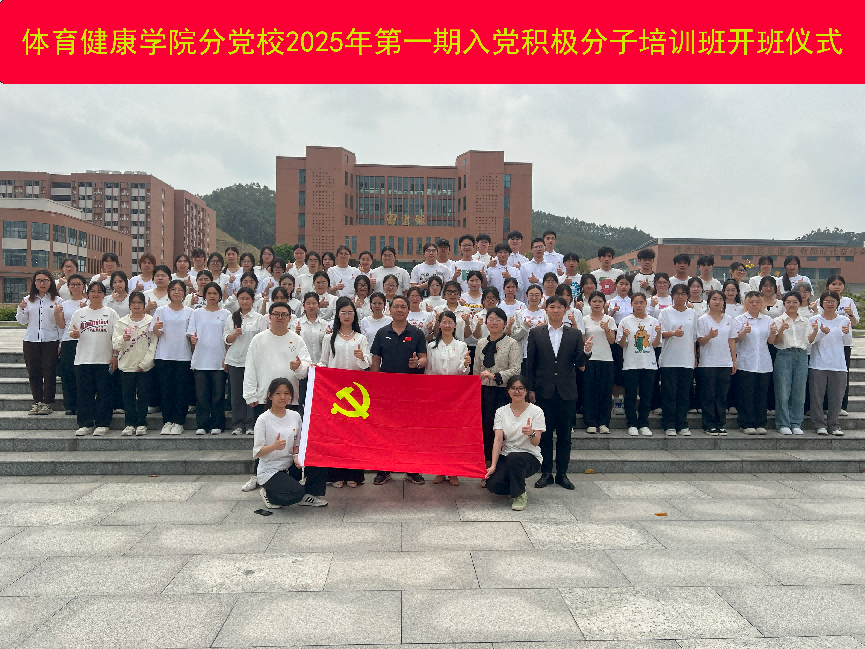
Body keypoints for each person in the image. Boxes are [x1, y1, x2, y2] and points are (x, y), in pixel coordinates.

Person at [526, 295, 592, 489]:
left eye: (559, 307)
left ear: (565, 310)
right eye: (552, 307)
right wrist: (530, 388)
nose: (555, 310)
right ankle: (546, 473)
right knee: (545, 435)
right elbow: (531, 363)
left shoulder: (574, 334)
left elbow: (579, 363)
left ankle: (562, 474)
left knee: (564, 436)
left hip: (567, 391)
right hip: (543, 391)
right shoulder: (536, 333)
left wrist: (587, 351)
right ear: (546, 309)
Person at [369, 295, 428, 486]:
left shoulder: (417, 333)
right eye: (396, 306)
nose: (399, 310)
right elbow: (376, 360)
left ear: (408, 310)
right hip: (386, 391)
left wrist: (417, 363)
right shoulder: (381, 333)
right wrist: (374, 385)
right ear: (390, 309)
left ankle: (412, 469)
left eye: (403, 307)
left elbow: (424, 359)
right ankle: (384, 469)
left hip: (411, 390)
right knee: (385, 429)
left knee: (410, 430)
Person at [319, 297, 371, 488]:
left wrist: (361, 357)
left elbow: (366, 364)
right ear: (338, 315)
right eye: (343, 312)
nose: (347, 316)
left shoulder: (361, 338)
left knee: (354, 435)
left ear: (355, 315)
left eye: (350, 312)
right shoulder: (329, 338)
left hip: (355, 392)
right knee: (336, 435)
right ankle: (336, 475)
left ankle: (354, 475)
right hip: (335, 392)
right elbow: (324, 362)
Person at [254, 378, 328, 509]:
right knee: (295, 493)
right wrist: (273, 447)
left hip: (289, 464)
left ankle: (309, 495)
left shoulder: (295, 416)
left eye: (286, 393)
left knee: (319, 457)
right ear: (270, 395)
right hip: (271, 469)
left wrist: (297, 456)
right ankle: (268, 494)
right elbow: (258, 451)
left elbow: (297, 443)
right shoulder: (263, 420)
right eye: (278, 393)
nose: (283, 397)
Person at [473, 307, 522, 485]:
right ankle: (486, 470)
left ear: (505, 323)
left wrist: (495, 376)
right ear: (486, 322)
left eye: (498, 319)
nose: (494, 322)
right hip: (485, 392)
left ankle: (503, 471)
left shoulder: (511, 343)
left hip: (503, 393)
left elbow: (516, 369)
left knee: (503, 431)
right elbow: (476, 370)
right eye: (491, 319)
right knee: (486, 430)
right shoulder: (481, 343)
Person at [426, 309, 473, 486]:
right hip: (437, 394)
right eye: (444, 322)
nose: (447, 325)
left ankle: (453, 471)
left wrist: (466, 365)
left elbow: (463, 372)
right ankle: (440, 470)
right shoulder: (431, 346)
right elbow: (429, 371)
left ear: (455, 325)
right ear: (439, 325)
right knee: (438, 434)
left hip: (456, 395)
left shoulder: (461, 346)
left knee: (454, 434)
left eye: (450, 322)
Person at [244, 301, 312, 420]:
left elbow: (306, 367)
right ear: (269, 317)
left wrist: (299, 367)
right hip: (264, 396)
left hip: (289, 398)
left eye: (284, 315)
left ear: (289, 318)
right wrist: (250, 395)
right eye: (276, 314)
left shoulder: (297, 340)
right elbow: (250, 367)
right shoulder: (258, 339)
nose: (280, 317)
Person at [486, 375, 545, 511]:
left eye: (520, 388)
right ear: (508, 391)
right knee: (492, 485)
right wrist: (493, 466)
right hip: (507, 455)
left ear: (526, 391)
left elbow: (536, 442)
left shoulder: (536, 411)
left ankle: (520, 495)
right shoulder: (501, 411)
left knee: (514, 457)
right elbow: (498, 440)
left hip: (529, 456)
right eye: (513, 388)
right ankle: (516, 485)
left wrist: (531, 432)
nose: (517, 391)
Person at [69, 281, 119, 436]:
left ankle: (103, 423)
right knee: (84, 394)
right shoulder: (79, 313)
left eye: (99, 291)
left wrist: (115, 355)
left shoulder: (111, 313)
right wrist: (74, 334)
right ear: (88, 293)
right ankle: (85, 424)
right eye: (92, 291)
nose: (96, 294)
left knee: (104, 393)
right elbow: (71, 332)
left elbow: (117, 337)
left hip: (104, 359)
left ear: (104, 295)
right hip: (83, 360)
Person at [17, 269, 64, 415]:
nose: (42, 283)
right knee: (34, 372)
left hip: (50, 340)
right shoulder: (27, 300)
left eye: (45, 280)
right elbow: (22, 321)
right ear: (34, 283)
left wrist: (61, 343)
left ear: (50, 282)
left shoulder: (57, 301)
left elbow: (61, 324)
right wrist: (21, 309)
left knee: (49, 372)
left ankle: (47, 403)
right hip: (31, 340)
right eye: (39, 280)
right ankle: (37, 402)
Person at [224, 287, 269, 437]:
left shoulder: (259, 318)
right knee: (237, 394)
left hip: (254, 362)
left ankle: (251, 424)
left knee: (252, 394)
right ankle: (237, 424)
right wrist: (235, 334)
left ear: (253, 300)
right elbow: (226, 339)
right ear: (238, 300)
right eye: (241, 298)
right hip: (236, 361)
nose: (244, 301)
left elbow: (263, 339)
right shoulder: (232, 317)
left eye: (247, 298)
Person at [151, 279, 194, 435]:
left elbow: (191, 335)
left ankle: (179, 422)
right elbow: (157, 334)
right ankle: (167, 421)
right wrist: (155, 328)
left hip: (183, 356)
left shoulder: (190, 312)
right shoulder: (161, 310)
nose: (177, 292)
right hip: (164, 356)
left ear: (184, 293)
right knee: (166, 390)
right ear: (169, 292)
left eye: (180, 290)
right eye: (174, 289)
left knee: (181, 391)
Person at [112, 291, 158, 436]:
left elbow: (154, 344)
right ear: (129, 305)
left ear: (144, 305)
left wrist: (145, 363)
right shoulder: (122, 322)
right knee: (128, 396)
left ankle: (142, 423)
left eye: (139, 302)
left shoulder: (151, 321)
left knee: (143, 395)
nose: (136, 305)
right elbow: (115, 343)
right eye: (134, 302)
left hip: (145, 367)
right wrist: (122, 339)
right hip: (127, 365)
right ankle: (129, 424)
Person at [187, 282, 230, 435]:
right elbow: (191, 333)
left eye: (215, 293)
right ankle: (202, 424)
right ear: (204, 295)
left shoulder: (226, 314)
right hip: (201, 359)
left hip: (219, 359)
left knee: (218, 395)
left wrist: (227, 358)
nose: (212, 296)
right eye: (209, 293)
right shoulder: (197, 313)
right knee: (201, 395)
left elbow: (228, 339)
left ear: (220, 296)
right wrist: (192, 339)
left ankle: (218, 424)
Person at [617, 292, 661, 436]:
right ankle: (631, 423)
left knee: (646, 395)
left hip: (648, 364)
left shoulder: (653, 321)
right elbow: (622, 344)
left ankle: (643, 423)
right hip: (631, 364)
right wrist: (624, 335)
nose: (638, 305)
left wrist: (659, 333)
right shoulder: (625, 321)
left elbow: (655, 344)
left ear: (646, 304)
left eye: (641, 302)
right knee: (630, 395)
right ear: (631, 304)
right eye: (635, 302)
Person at [808, 290, 851, 436]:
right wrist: (820, 332)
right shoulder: (814, 320)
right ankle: (819, 424)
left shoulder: (844, 320)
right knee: (817, 397)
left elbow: (847, 343)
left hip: (838, 365)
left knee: (836, 397)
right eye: (826, 301)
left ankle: (834, 424)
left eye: (833, 301)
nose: (830, 304)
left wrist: (847, 333)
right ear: (821, 303)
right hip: (818, 364)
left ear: (838, 303)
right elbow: (809, 341)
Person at [733, 291, 776, 435]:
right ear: (746, 303)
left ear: (761, 304)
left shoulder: (767, 320)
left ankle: (760, 423)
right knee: (746, 394)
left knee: (761, 394)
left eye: (757, 302)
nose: (754, 304)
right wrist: (743, 332)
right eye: (751, 302)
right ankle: (746, 423)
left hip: (763, 362)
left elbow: (771, 341)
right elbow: (735, 340)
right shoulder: (739, 319)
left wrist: (773, 332)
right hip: (746, 362)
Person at [697, 290, 738, 436]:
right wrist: (710, 335)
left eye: (720, 299)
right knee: (709, 394)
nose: (717, 301)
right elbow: (701, 342)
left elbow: (731, 341)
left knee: (722, 395)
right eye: (714, 299)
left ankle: (720, 424)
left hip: (725, 362)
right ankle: (708, 424)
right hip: (708, 362)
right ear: (708, 301)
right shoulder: (703, 319)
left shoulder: (729, 319)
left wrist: (734, 360)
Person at [658, 284, 698, 436]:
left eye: (683, 293)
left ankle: (682, 424)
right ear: (672, 296)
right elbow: (660, 334)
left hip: (686, 358)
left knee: (684, 394)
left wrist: (694, 356)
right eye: (677, 293)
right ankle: (669, 424)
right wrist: (674, 333)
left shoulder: (692, 313)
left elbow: (694, 337)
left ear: (687, 296)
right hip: (669, 358)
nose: (680, 296)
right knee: (669, 393)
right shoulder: (665, 312)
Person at [773, 291, 810, 435]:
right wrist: (781, 330)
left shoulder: (805, 321)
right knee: (783, 391)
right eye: (788, 302)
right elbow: (776, 342)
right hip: (784, 354)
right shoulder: (778, 320)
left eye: (795, 302)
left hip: (801, 355)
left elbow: (809, 340)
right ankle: (783, 423)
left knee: (799, 391)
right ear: (784, 304)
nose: (791, 305)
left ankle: (796, 423)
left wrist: (817, 332)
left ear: (800, 304)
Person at [582, 290, 617, 434]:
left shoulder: (609, 319)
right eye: (594, 301)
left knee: (605, 392)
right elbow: (582, 341)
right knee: (589, 391)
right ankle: (590, 422)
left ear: (604, 304)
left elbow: (612, 341)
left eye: (600, 301)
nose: (597, 304)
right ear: (589, 303)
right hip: (590, 359)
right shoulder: (584, 319)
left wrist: (607, 329)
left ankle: (603, 423)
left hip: (606, 359)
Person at [824, 275, 859, 417]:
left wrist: (850, 314)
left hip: (844, 343)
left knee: (843, 375)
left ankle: (842, 405)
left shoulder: (848, 301)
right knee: (825, 375)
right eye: (834, 284)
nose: (837, 286)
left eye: (840, 284)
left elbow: (854, 323)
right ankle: (825, 405)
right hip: (826, 343)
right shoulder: (822, 300)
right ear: (828, 286)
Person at [55, 273, 88, 416]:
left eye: (78, 284)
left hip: (86, 342)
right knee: (68, 374)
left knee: (83, 374)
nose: (75, 287)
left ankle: (83, 404)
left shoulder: (89, 302)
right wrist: (56, 314)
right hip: (68, 342)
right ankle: (70, 405)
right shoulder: (64, 304)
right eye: (72, 284)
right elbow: (62, 326)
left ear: (84, 286)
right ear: (68, 287)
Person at [510, 284, 548, 375]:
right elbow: (514, 336)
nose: (534, 298)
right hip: (523, 354)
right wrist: (525, 327)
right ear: (526, 296)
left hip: (541, 355)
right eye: (531, 295)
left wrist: (544, 328)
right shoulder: (519, 313)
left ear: (541, 296)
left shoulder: (546, 314)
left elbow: (551, 335)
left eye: (537, 295)